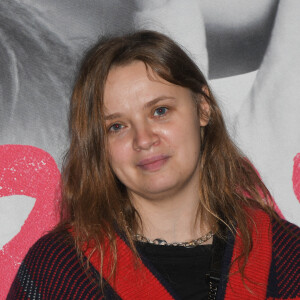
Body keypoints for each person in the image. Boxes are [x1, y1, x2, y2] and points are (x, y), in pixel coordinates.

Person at [7, 30, 299, 300]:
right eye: (117, 126)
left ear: (203, 108)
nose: (143, 139)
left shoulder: (288, 257)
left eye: (160, 111)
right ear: (99, 145)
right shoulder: (59, 269)